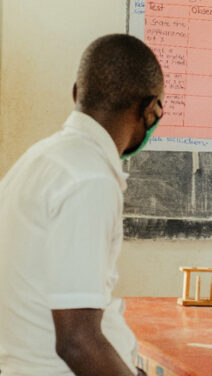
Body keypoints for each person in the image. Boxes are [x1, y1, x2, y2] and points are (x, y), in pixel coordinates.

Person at [0, 34, 164, 375]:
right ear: (150, 112)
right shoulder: (89, 180)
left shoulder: (42, 159)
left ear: (77, 92)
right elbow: (76, 341)